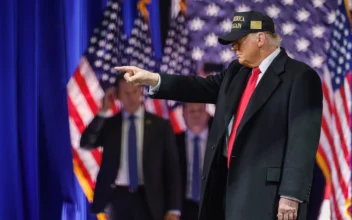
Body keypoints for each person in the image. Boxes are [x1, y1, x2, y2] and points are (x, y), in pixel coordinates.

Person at [115, 10, 323, 220]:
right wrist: (153, 79)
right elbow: (198, 87)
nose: (233, 47)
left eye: (238, 41)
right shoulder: (236, 72)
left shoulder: (300, 78)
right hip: (225, 189)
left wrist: (291, 195)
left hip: (268, 196)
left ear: (260, 39)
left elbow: (302, 142)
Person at [80, 74, 182, 220]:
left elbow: (172, 169)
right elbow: (86, 143)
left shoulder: (160, 126)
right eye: (126, 93)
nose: (131, 97)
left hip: (149, 198)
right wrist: (103, 111)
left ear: (141, 91)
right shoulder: (110, 125)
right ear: (117, 96)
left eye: (134, 91)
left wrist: (174, 209)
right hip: (117, 198)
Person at [175, 103, 211, 220]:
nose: (196, 115)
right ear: (183, 114)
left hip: (211, 206)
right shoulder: (174, 142)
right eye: (192, 111)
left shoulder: (218, 143)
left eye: (200, 110)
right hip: (184, 208)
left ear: (207, 113)